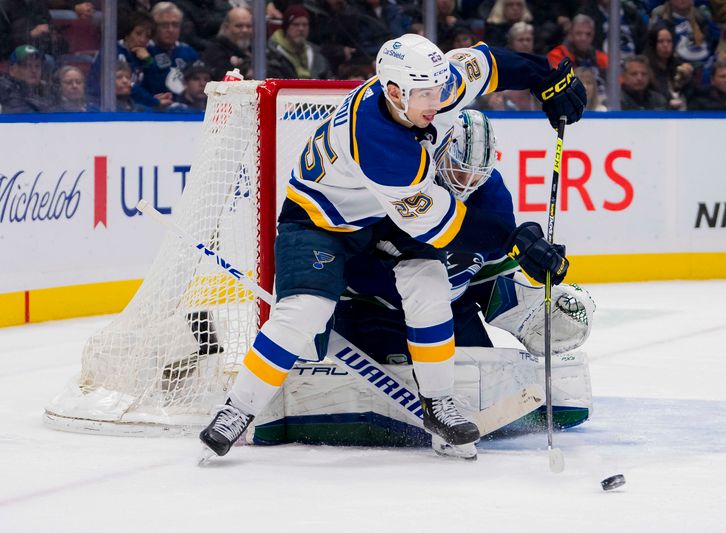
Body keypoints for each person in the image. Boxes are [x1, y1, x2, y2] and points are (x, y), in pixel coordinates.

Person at [199, 34, 586, 460]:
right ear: (394, 91)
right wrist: (516, 242)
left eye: (439, 91)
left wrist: (547, 78)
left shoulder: (436, 85)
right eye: (424, 95)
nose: (436, 103)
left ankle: (439, 404)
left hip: (384, 214)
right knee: (304, 310)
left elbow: (491, 63)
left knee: (430, 285)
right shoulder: (378, 142)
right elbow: (442, 227)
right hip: (322, 221)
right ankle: (237, 410)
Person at [334, 109, 596, 367]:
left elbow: (489, 267)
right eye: (459, 170)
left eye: (478, 173)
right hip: (373, 308)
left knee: (484, 381)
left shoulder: (492, 193)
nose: (468, 182)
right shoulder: (406, 183)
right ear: (440, 154)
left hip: (453, 308)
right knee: (401, 389)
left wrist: (529, 303)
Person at [142, 2, 199, 102]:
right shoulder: (144, 50)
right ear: (154, 27)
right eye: (164, 25)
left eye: (175, 25)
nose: (170, 30)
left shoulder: (189, 52)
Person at [547, 14, 609, 98]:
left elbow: (616, 83)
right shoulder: (557, 55)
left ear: (593, 35)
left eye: (588, 34)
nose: (583, 38)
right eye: (579, 33)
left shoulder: (601, 58)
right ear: (570, 34)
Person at [267, 4, 332, 80]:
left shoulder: (317, 55)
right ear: (286, 28)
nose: (301, 29)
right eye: (296, 24)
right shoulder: (272, 55)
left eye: (305, 25)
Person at [643, 23, 694, 110]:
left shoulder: (678, 66)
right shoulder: (645, 67)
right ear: (653, 43)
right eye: (660, 41)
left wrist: (688, 79)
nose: (665, 45)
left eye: (669, 41)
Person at [202, 6, 253, 81]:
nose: (245, 30)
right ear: (226, 27)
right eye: (239, 26)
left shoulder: (258, 50)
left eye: (248, 26)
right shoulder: (215, 52)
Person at [0, 45, 52, 113]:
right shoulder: (5, 91)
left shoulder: (48, 90)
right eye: (27, 65)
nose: (34, 70)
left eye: (37, 66)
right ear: (12, 70)